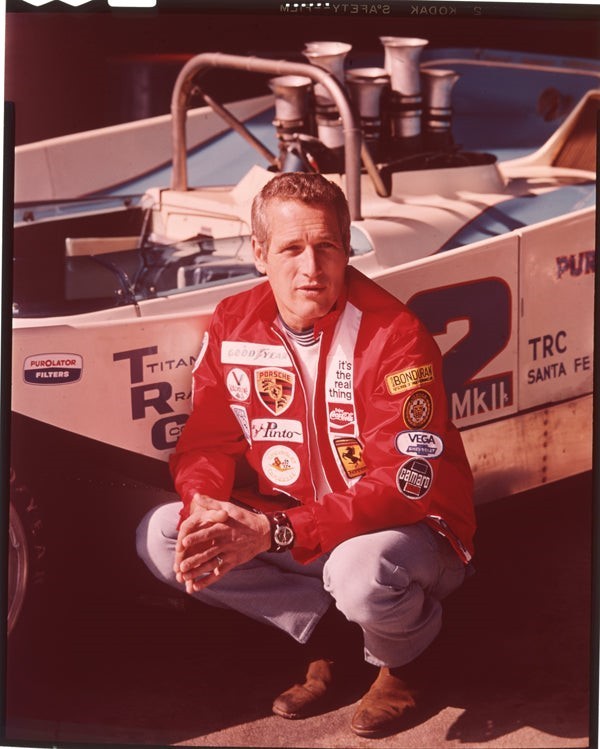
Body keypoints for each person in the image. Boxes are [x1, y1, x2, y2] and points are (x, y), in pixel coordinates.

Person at [136, 171, 476, 738]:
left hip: (408, 532)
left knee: (358, 570)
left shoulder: (396, 335)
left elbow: (405, 484)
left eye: (326, 247)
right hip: (297, 525)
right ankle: (332, 637)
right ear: (259, 253)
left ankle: (409, 661)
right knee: (165, 536)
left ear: (347, 250)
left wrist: (277, 532)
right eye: (292, 249)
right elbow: (207, 442)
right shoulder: (234, 320)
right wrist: (205, 506)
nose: (311, 268)